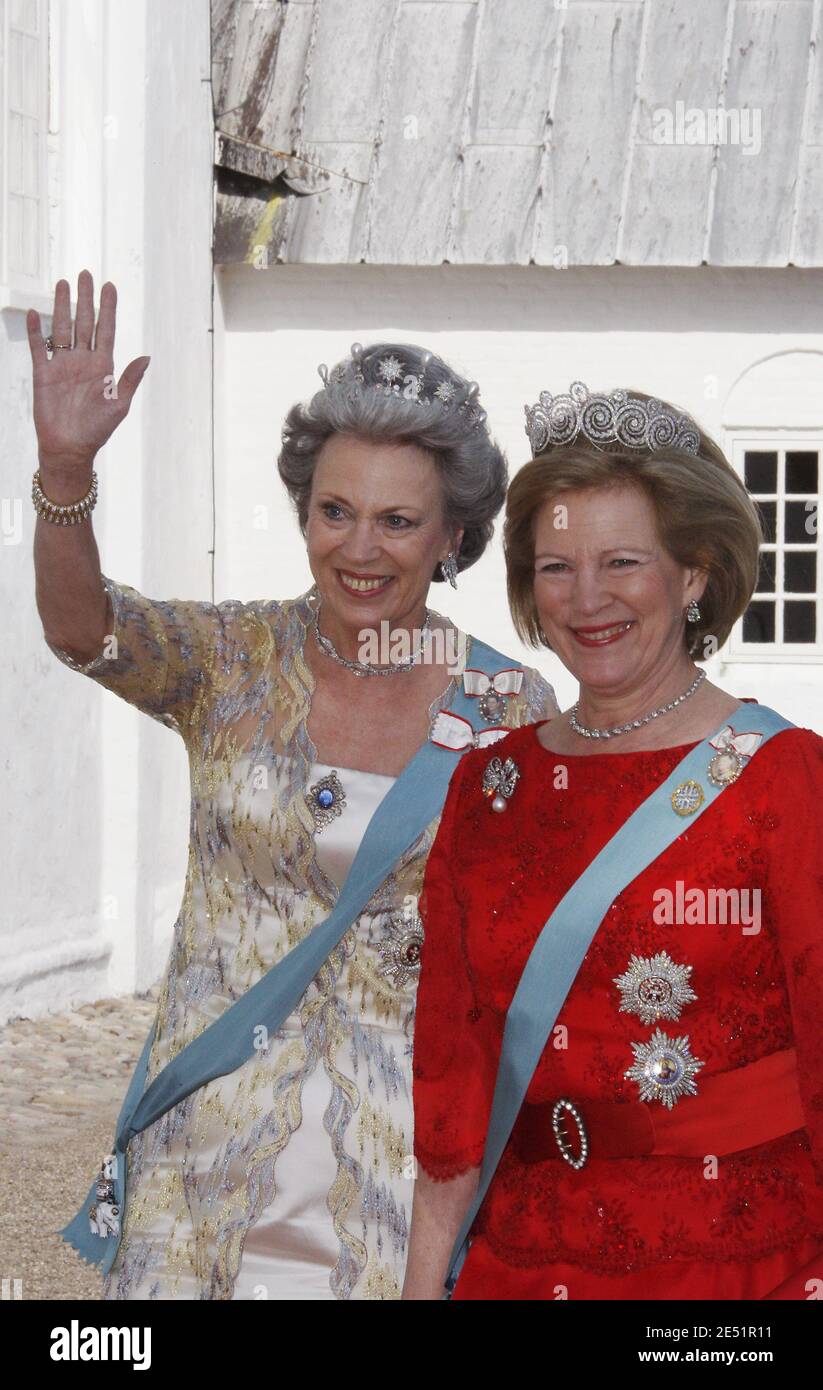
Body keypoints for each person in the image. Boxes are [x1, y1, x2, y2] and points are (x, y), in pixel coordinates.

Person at [28, 271, 559, 1300]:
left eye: (398, 522)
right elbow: (81, 629)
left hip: (394, 1166)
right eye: (333, 511)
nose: (358, 550)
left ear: (452, 535)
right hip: (202, 1157)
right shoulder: (227, 658)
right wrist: (62, 470)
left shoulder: (509, 707)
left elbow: (534, 948)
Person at [404, 382, 823, 1300]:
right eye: (554, 566)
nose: (585, 599)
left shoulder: (783, 778)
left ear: (694, 573)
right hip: (518, 1260)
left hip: (730, 1273)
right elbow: (452, 1077)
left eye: (622, 561)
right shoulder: (487, 785)